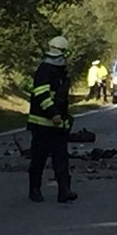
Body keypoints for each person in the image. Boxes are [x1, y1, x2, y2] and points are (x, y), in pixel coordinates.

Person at [27, 36, 78, 203]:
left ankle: (64, 190)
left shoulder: (60, 72)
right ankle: (34, 190)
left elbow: (61, 98)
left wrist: (64, 118)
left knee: (61, 158)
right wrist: (53, 113)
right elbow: (42, 94)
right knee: (39, 158)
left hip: (58, 125)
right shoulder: (45, 70)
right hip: (42, 124)